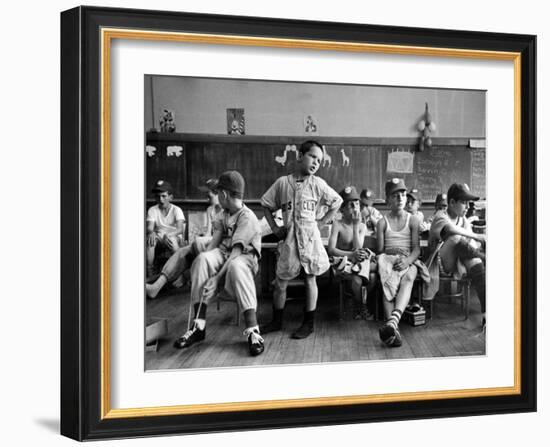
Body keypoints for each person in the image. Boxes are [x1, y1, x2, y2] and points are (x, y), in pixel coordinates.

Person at [173, 171, 265, 356]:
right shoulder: (224, 214)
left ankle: (253, 331)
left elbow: (237, 253)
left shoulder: (247, 217)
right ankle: (198, 326)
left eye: (218, 193)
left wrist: (215, 279)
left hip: (244, 260)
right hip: (224, 254)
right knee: (202, 259)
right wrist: (200, 269)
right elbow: (213, 244)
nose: (216, 197)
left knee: (235, 265)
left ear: (223, 194)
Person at [260, 140, 343, 339]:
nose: (316, 163)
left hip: (310, 240)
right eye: (313, 156)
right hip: (289, 240)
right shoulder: (282, 183)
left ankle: (309, 323)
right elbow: (265, 204)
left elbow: (337, 201)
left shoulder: (318, 184)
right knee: (281, 281)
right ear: (300, 156)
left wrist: (321, 222)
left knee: (310, 278)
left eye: (320, 161)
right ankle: (277, 321)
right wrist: (274, 227)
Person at [145, 179, 223, 299]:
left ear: (219, 193)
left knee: (194, 244)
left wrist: (201, 239)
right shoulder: (210, 209)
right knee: (183, 250)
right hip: (210, 241)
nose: (207, 197)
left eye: (209, 195)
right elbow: (208, 232)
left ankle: (186, 277)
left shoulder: (226, 210)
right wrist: (201, 236)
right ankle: (156, 286)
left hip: (219, 246)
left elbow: (223, 236)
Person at [425, 183, 486, 329]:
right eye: (463, 202)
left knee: (476, 262)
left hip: (459, 263)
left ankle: (486, 315)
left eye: (467, 203)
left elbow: (472, 245)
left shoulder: (463, 220)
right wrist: (478, 236)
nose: (466, 206)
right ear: (451, 203)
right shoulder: (440, 216)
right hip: (438, 265)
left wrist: (475, 243)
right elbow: (451, 230)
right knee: (455, 237)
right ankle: (486, 259)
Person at [376, 178, 425, 348]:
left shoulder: (413, 220)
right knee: (387, 283)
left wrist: (407, 261)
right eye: (395, 195)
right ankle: (393, 327)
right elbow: (381, 250)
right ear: (388, 199)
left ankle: (392, 323)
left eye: (403, 194)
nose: (400, 198)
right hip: (389, 259)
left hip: (407, 259)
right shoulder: (382, 222)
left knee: (410, 276)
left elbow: (416, 249)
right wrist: (393, 254)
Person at [327, 186, 377, 320]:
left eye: (357, 204)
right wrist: (351, 255)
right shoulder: (337, 224)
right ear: (342, 209)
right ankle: (361, 305)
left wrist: (355, 226)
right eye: (351, 205)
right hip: (343, 261)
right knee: (356, 279)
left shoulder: (361, 226)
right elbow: (331, 250)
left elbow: (358, 248)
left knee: (372, 277)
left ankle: (360, 301)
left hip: (357, 261)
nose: (355, 207)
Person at [146, 180, 185, 279]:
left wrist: (170, 235)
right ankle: (150, 270)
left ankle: (178, 272)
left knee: (172, 241)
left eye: (164, 196)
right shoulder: (152, 210)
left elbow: (180, 229)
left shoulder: (176, 210)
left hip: (174, 236)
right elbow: (150, 227)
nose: (161, 199)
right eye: (158, 196)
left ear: (170, 197)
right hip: (160, 236)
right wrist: (151, 232)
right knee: (150, 240)